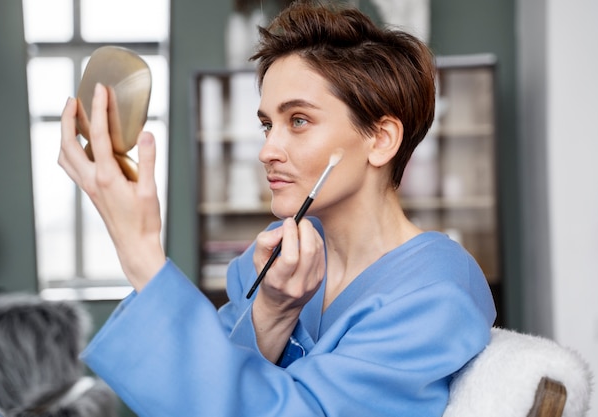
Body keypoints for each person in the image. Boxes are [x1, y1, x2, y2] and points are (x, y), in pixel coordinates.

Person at [58, 1, 496, 416]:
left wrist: (141, 254)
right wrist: (271, 312)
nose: (268, 149)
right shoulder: (271, 266)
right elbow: (210, 391)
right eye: (268, 124)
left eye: (298, 121)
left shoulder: (437, 292)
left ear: (380, 140)